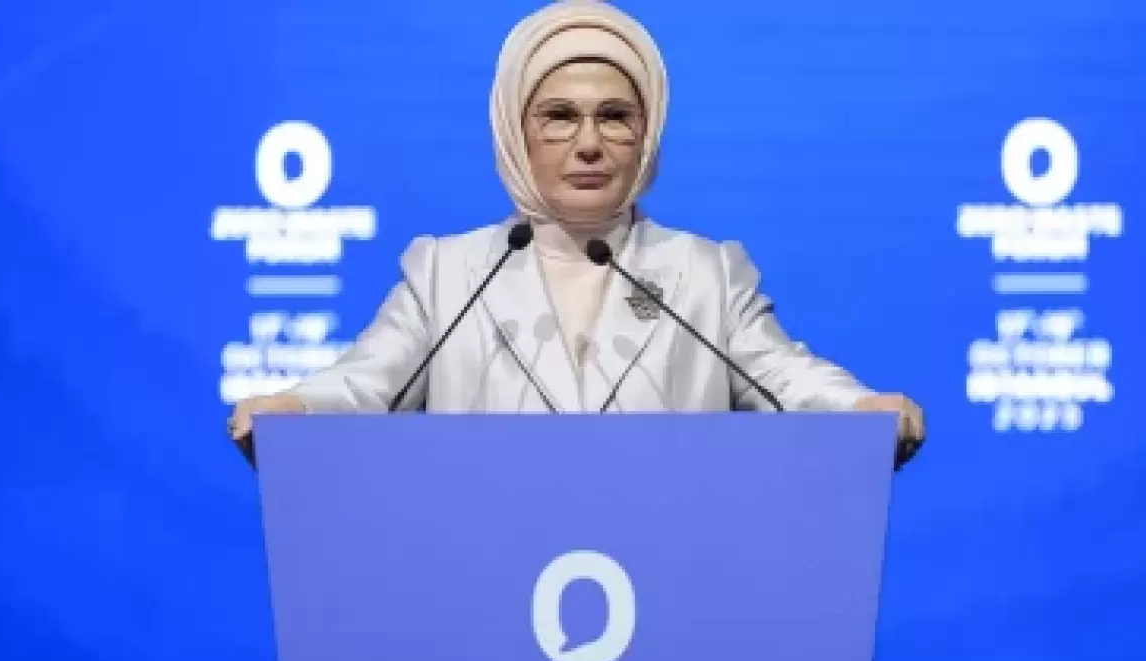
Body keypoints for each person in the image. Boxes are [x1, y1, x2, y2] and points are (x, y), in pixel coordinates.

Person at [227, 0, 924, 461]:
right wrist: (295, 410)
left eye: (615, 117)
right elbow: (364, 385)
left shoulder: (706, 274)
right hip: (486, 590)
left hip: (666, 590)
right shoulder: (448, 274)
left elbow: (786, 378)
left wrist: (860, 411)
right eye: (559, 116)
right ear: (515, 133)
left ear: (647, 135)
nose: (589, 144)